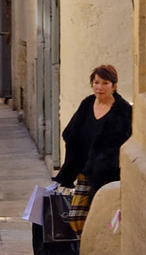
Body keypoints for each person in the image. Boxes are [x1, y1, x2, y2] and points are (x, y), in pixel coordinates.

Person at [56, 63, 133, 226]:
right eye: (97, 82)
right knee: (76, 218)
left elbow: (124, 143)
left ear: (114, 86)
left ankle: (92, 248)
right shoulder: (87, 104)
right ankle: (85, 245)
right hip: (84, 171)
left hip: (108, 176)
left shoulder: (123, 111)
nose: (100, 87)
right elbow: (70, 133)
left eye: (105, 83)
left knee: (101, 217)